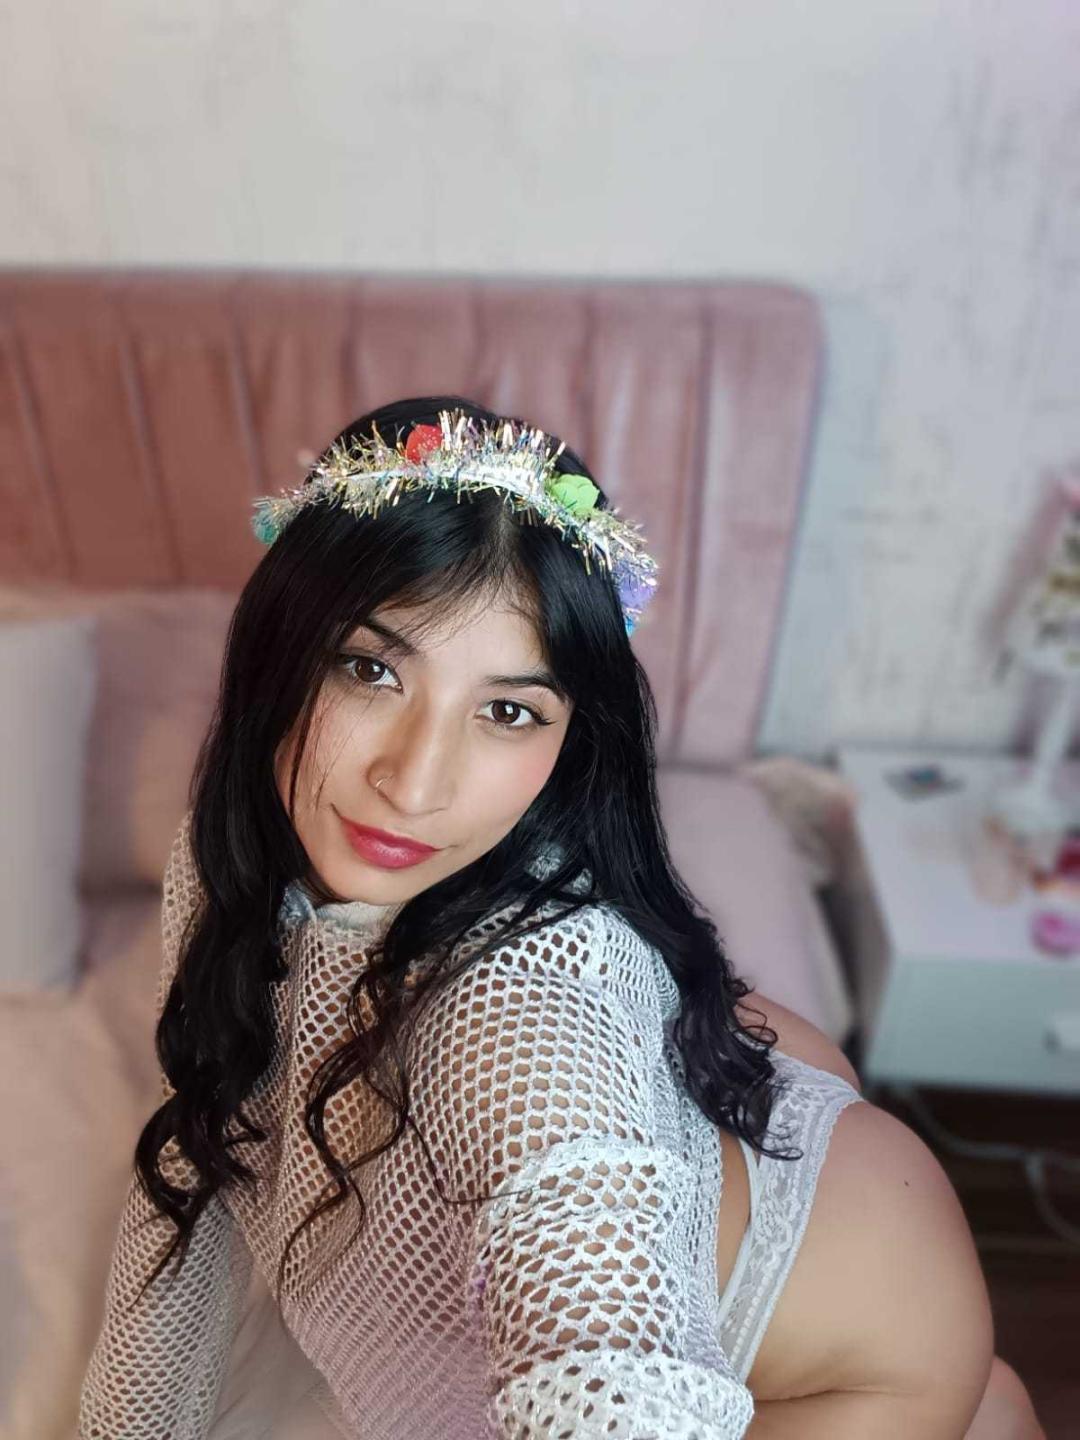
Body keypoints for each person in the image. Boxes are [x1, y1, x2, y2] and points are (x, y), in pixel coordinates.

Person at [77, 397, 1038, 1439]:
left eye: (507, 712)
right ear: (280, 651)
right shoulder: (225, 860)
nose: (414, 783)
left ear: (570, 737)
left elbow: (612, 1379)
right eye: (370, 669)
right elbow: (198, 1148)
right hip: (784, 1167)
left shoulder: (515, 1014)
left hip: (857, 1356)